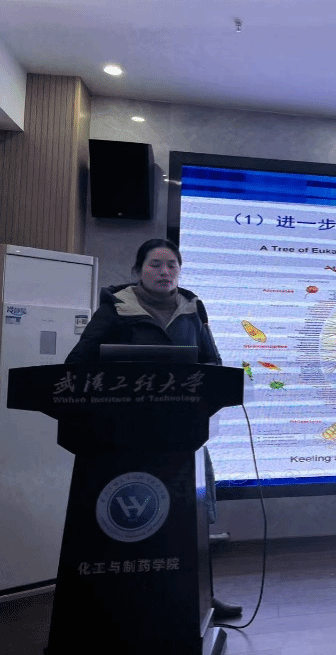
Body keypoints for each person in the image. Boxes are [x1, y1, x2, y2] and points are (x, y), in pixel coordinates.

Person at [65, 238, 242, 620]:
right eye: (155, 265)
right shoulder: (116, 308)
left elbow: (213, 366)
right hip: (122, 437)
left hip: (182, 435)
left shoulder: (194, 309)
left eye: (172, 265)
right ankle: (119, 604)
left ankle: (202, 597)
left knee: (190, 519)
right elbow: (78, 364)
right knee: (129, 521)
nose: (165, 272)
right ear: (138, 270)